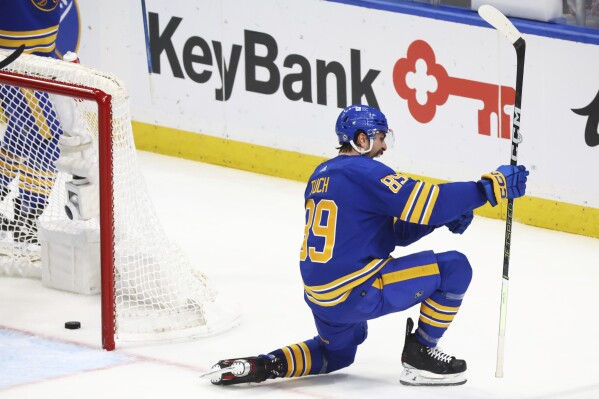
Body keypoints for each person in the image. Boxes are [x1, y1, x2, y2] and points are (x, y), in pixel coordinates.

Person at [205, 104, 529, 386]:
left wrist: (439, 220)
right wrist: (489, 188)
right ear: (362, 139)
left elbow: (390, 234)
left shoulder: (320, 175)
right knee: (455, 267)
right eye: (380, 136)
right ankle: (421, 354)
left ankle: (264, 365)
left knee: (337, 355)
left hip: (321, 299)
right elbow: (431, 201)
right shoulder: (365, 171)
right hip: (355, 291)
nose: (384, 145)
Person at [0, 1, 79, 243]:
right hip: (13, 58)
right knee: (46, 136)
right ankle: (27, 220)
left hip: (37, 53)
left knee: (20, 135)